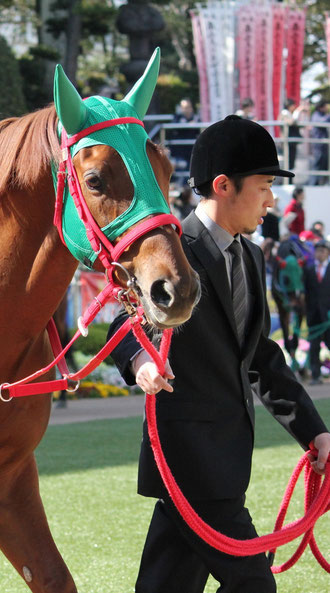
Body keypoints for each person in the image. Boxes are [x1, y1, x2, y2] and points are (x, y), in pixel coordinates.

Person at [108, 115, 330, 593]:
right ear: (225, 185)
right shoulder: (168, 251)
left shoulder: (251, 255)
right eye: (266, 184)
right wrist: (142, 361)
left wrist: (314, 432)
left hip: (226, 463)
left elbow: (260, 357)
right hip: (188, 464)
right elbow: (122, 323)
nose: (274, 199)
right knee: (254, 585)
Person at [305, 240, 330, 384]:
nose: (320, 254)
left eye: (323, 251)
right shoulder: (309, 270)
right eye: (318, 251)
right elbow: (305, 292)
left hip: (328, 314)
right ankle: (315, 375)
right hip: (314, 314)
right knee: (314, 345)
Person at [170, 99, 200, 177]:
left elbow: (199, 131)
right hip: (179, 151)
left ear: (191, 108)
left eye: (188, 107)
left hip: (192, 151)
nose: (186, 109)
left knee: (192, 171)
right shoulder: (177, 117)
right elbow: (174, 128)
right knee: (180, 170)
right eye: (184, 107)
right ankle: (180, 186)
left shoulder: (196, 118)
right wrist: (189, 125)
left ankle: (189, 187)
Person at [279, 98, 306, 170]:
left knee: (291, 163)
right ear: (289, 106)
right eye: (293, 105)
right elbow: (290, 122)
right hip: (287, 142)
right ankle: (285, 181)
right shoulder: (284, 114)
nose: (294, 107)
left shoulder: (289, 114)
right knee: (287, 163)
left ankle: (289, 180)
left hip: (292, 142)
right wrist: (297, 112)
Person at [308, 101, 330, 186]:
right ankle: (312, 185)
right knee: (316, 167)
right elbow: (322, 122)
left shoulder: (323, 116)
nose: (327, 108)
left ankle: (321, 184)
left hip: (324, 147)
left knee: (324, 167)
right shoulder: (316, 115)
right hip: (318, 146)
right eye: (325, 106)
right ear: (320, 107)